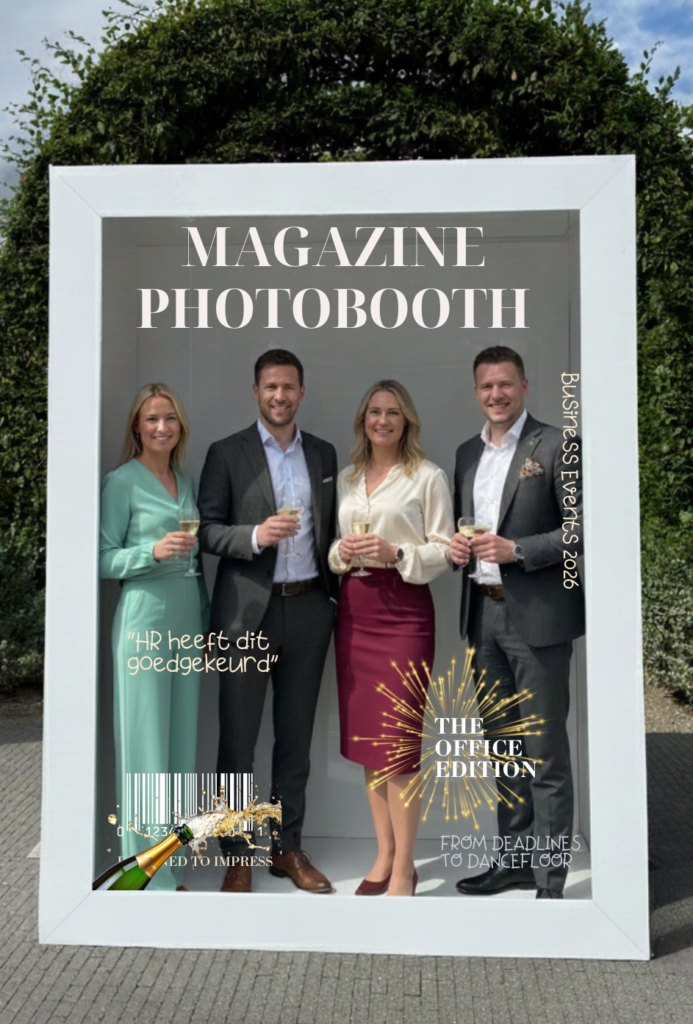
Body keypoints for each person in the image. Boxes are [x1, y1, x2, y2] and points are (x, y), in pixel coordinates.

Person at [198, 348, 338, 894]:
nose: (280, 396)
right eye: (271, 387)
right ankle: (237, 854)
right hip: (244, 616)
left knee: (295, 740)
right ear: (256, 391)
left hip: (308, 609)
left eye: (289, 387)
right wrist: (256, 535)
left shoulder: (322, 454)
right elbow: (208, 530)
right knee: (237, 741)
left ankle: (285, 847)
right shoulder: (225, 452)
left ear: (302, 392)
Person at [451, 346, 585, 899]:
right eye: (486, 386)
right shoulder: (466, 453)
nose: (496, 395)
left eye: (505, 384)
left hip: (538, 619)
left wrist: (518, 550)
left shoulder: (557, 444)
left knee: (545, 754)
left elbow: (581, 528)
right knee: (502, 749)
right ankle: (515, 861)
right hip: (481, 615)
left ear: (524, 386)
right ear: (476, 392)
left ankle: (551, 880)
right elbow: (465, 528)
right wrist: (458, 550)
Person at [329, 380, 453, 897]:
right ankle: (383, 854)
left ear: (407, 422)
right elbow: (334, 548)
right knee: (369, 743)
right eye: (375, 412)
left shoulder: (427, 476)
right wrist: (342, 553)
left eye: (393, 413)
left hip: (403, 613)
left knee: (398, 744)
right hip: (355, 611)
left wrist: (397, 553)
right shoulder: (347, 477)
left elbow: (445, 549)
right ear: (364, 419)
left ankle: (405, 867)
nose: (383, 420)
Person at [100, 382, 210, 892]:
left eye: (169, 418)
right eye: (152, 419)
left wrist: (205, 621)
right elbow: (102, 558)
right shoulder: (121, 482)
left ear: (180, 425)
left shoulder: (185, 480)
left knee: (180, 746)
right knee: (146, 749)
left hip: (187, 617)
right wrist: (152, 553)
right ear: (137, 427)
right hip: (144, 615)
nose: (162, 427)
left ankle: (172, 869)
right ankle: (144, 878)